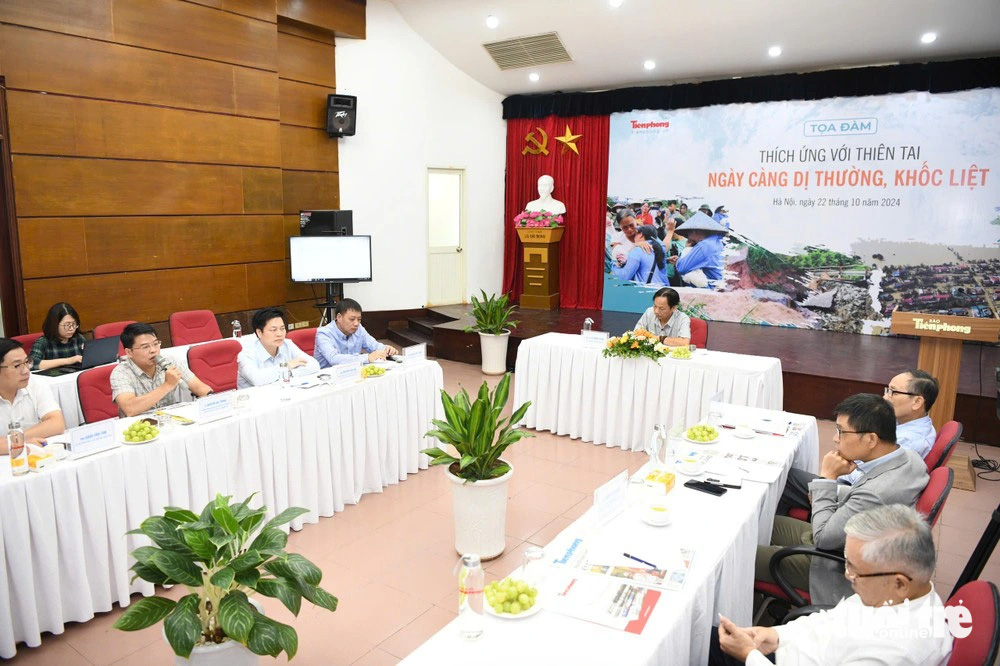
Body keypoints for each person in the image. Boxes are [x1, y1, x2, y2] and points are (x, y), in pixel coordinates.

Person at [712, 504, 952, 665]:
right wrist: (776, 635)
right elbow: (830, 620)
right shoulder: (893, 593)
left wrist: (749, 656)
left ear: (899, 583)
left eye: (854, 570)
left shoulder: (895, 652)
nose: (848, 575)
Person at [756, 394, 929, 606]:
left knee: (746, 553)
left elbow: (823, 539)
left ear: (871, 439)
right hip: (854, 544)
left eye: (841, 431)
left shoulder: (876, 492)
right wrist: (832, 493)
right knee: (758, 523)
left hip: (835, 569)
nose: (836, 438)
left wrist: (827, 480)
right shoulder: (910, 457)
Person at [780, 369, 939, 506]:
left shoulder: (910, 441)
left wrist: (833, 473)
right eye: (887, 390)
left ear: (917, 402)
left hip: (856, 495)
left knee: (783, 479)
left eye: (893, 392)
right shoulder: (916, 425)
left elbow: (869, 480)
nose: (885, 398)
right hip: (856, 485)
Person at [110, 323, 212, 417]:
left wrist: (214, 400)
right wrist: (167, 385)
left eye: (156, 344)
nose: (153, 350)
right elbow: (130, 409)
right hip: (140, 428)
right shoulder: (120, 373)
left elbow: (199, 387)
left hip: (171, 421)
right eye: (145, 347)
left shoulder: (170, 361)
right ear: (129, 352)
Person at [0, 338, 65, 454]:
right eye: (16, 366)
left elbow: (57, 423)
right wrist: (20, 444)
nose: (26, 371)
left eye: (26, 362)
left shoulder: (35, 383)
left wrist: (18, 440)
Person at [237, 307, 320, 389]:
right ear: (259, 332)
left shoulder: (287, 344)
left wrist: (289, 372)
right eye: (273, 330)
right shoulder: (246, 354)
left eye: (282, 328)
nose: (279, 334)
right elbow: (257, 379)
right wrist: (286, 366)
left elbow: (314, 365)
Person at [314, 299, 399, 368]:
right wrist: (367, 357)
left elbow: (373, 345)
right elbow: (334, 359)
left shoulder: (359, 329)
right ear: (339, 317)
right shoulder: (323, 334)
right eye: (352, 319)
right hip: (328, 380)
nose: (356, 323)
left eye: (359, 319)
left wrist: (386, 349)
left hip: (353, 373)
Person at [672, 211, 727, 288]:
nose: (688, 237)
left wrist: (686, 250)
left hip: (707, 292)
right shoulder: (716, 242)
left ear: (694, 231)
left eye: (688, 233)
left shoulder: (704, 246)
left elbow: (681, 268)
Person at [28, 302, 86, 371]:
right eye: (67, 325)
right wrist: (69, 360)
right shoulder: (43, 342)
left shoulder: (78, 338)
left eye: (74, 324)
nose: (71, 329)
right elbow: (31, 364)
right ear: (55, 325)